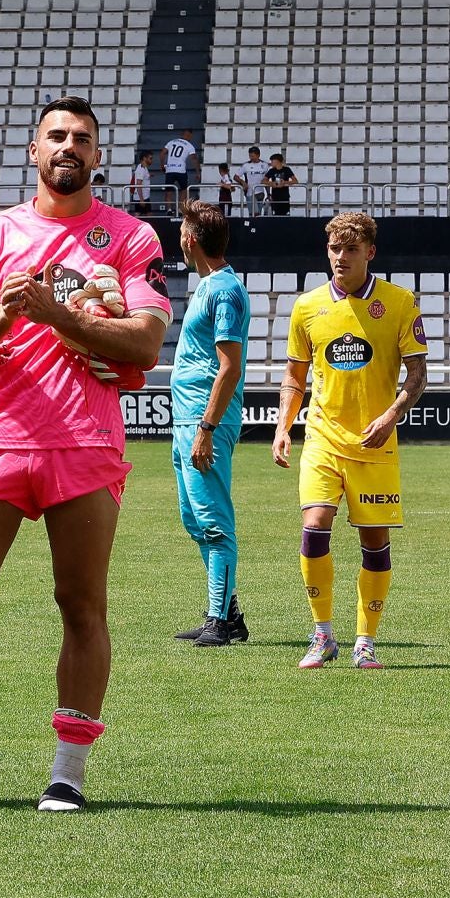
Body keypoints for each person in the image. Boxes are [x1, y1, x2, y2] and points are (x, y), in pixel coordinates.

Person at [0, 96, 169, 815]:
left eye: (82, 138)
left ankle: (67, 774)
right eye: (57, 135)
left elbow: (146, 342)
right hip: (0, 438)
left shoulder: (130, 236)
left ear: (97, 156)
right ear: (33, 149)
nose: (68, 146)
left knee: (81, 604)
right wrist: (12, 311)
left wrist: (60, 315)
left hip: (86, 442)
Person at [273, 211, 427, 673]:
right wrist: (283, 427)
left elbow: (418, 374)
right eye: (335, 249)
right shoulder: (307, 307)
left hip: (375, 443)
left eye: (351, 249)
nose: (341, 257)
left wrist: (391, 415)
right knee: (314, 527)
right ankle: (322, 634)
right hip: (322, 436)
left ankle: (365, 641)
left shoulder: (399, 302)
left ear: (370, 252)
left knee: (374, 542)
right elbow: (294, 376)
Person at [169, 201, 250, 648]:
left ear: (190, 240)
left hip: (205, 421)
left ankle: (218, 618)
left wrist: (206, 427)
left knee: (214, 521)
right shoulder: (208, 287)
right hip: (187, 419)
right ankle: (228, 613)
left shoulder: (226, 290)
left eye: (182, 232)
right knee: (195, 519)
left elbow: (229, 367)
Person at [162, 128, 197, 215]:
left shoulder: (172, 142)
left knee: (168, 191)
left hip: (170, 169)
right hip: (181, 170)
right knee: (184, 190)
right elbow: (194, 159)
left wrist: (162, 165)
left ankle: (169, 210)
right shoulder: (189, 145)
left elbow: (162, 153)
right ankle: (180, 210)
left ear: (182, 134)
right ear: (190, 136)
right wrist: (198, 172)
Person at [240, 146, 268, 218]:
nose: (251, 158)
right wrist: (243, 182)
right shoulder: (246, 165)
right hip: (250, 192)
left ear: (258, 155)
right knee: (254, 214)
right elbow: (236, 176)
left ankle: (257, 225)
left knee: (259, 214)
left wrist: (268, 193)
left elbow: (266, 180)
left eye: (253, 156)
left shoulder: (265, 165)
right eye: (250, 156)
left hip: (261, 192)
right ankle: (252, 225)